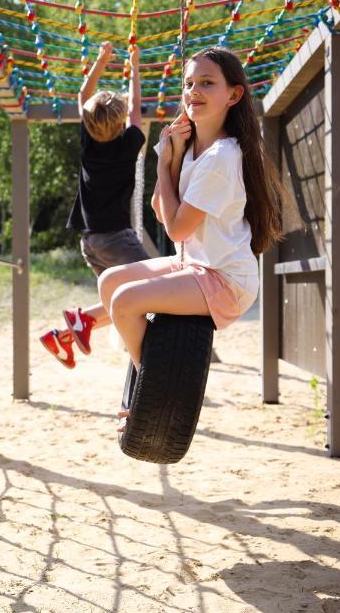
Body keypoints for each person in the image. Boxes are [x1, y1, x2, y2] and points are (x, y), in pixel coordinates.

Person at [95, 46, 283, 426]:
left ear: (233, 95)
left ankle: (152, 388)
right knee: (109, 280)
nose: (193, 90)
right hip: (195, 265)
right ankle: (152, 374)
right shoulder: (198, 148)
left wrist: (164, 162)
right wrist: (175, 157)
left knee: (125, 301)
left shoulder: (222, 157)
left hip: (224, 279)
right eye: (189, 83)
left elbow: (177, 227)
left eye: (207, 83)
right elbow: (158, 207)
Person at [40, 40, 150, 369]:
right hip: (116, 238)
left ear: (88, 124)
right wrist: (135, 67)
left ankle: (63, 334)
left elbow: (84, 96)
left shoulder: (89, 143)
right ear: (120, 127)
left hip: (90, 241)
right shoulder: (129, 145)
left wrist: (103, 60)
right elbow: (135, 109)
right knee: (153, 291)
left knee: (122, 304)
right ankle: (79, 318)